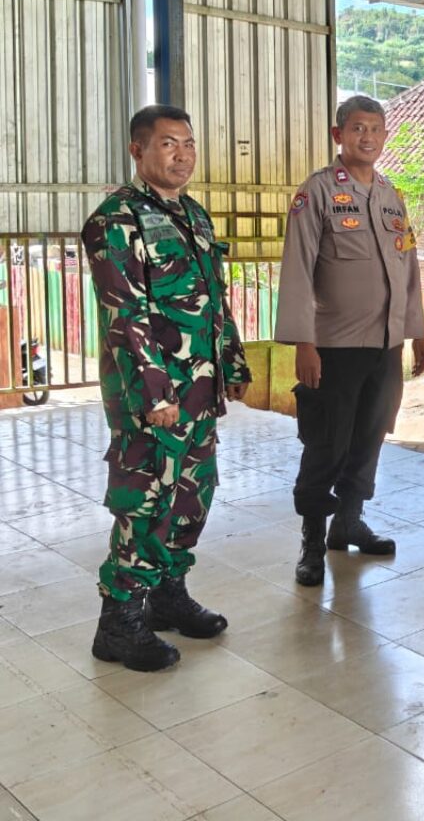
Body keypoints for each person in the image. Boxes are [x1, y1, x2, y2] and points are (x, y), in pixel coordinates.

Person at [82, 104, 251, 672]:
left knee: (192, 493)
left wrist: (231, 363)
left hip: (198, 391)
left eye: (189, 144)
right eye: (168, 144)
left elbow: (213, 300)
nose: (182, 155)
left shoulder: (194, 216)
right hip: (151, 397)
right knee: (147, 499)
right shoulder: (115, 220)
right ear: (138, 150)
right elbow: (126, 316)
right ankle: (120, 621)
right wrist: (157, 394)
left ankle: (168, 596)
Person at [275, 95, 424, 587]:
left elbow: (409, 267)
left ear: (385, 137)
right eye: (358, 128)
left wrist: (417, 333)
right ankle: (312, 541)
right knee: (327, 442)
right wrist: (303, 342)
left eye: (376, 129)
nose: (368, 137)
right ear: (338, 134)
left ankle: (349, 522)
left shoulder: (390, 195)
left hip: (385, 347)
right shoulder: (317, 193)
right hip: (334, 348)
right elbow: (297, 270)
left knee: (369, 437)